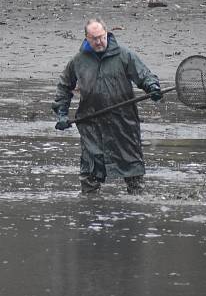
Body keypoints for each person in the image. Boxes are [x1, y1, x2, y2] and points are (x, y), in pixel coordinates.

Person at [52, 18, 162, 195]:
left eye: (101, 37)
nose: (98, 42)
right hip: (91, 125)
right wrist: (62, 114)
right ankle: (90, 209)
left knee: (133, 173)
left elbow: (145, 75)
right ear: (86, 38)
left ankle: (137, 207)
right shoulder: (78, 62)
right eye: (94, 38)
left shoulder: (124, 55)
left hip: (123, 124)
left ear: (107, 34)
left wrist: (153, 87)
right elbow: (64, 87)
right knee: (90, 173)